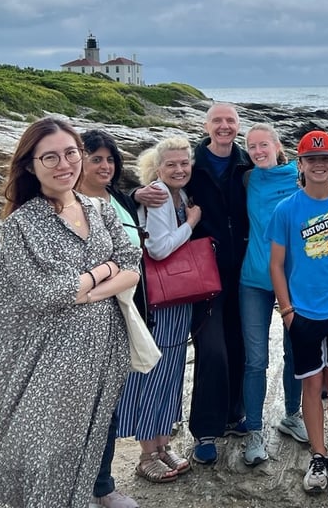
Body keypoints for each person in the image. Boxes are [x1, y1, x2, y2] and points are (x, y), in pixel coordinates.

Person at [0, 118, 141, 507]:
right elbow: (45, 294)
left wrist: (85, 290)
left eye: (71, 153)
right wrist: (102, 271)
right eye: (50, 157)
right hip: (45, 357)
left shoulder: (99, 208)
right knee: (43, 450)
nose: (64, 164)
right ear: (30, 165)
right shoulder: (22, 224)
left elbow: (132, 263)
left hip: (101, 352)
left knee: (84, 445)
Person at [136, 102, 251, 464]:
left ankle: (234, 414)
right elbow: (140, 196)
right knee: (212, 350)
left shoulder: (247, 164)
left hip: (244, 271)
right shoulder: (192, 166)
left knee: (240, 345)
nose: (224, 126)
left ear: (238, 126)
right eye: (217, 120)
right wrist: (135, 194)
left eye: (230, 120)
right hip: (202, 276)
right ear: (206, 125)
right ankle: (206, 430)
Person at [268, 130, 328, 499]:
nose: (319, 165)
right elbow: (276, 264)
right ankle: (318, 456)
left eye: (325, 158)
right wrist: (287, 310)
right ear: (301, 164)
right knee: (311, 385)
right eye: (312, 160)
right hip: (302, 311)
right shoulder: (286, 209)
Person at [117, 137, 200, 482]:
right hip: (160, 300)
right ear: (157, 167)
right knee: (155, 371)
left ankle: (163, 444)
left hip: (178, 298)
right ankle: (147, 453)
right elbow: (159, 248)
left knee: (172, 370)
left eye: (184, 163)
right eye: (171, 164)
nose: (179, 169)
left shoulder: (181, 194)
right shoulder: (161, 195)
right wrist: (191, 223)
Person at [238, 123, 308, 466]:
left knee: (295, 352)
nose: (258, 151)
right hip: (253, 279)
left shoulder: (299, 175)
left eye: (263, 144)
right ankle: (254, 430)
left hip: (293, 279)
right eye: (252, 146)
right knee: (255, 359)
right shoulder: (247, 179)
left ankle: (292, 415)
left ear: (278, 146)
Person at [80, 130, 143, 508]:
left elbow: (131, 257)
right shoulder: (71, 203)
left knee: (108, 407)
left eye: (110, 159)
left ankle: (102, 486)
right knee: (78, 410)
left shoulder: (116, 197)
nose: (105, 166)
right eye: (96, 159)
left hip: (123, 315)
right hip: (85, 319)